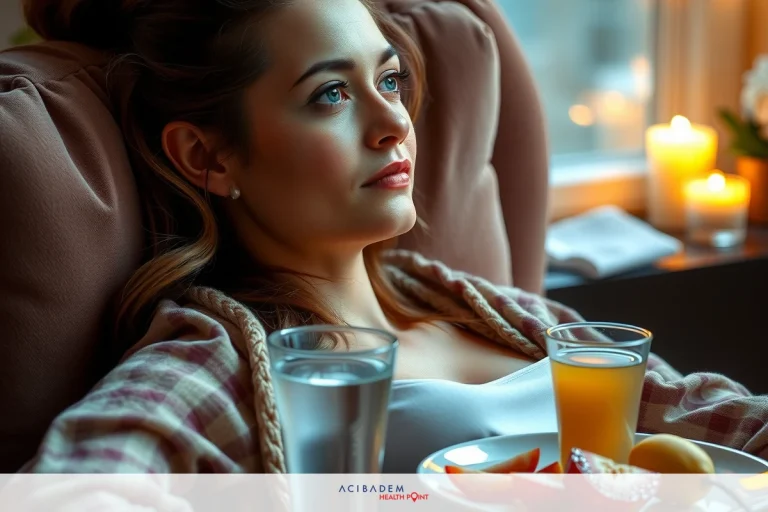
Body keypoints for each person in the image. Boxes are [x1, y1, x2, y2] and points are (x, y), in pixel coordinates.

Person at [20, 0, 768, 477]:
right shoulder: (229, 358)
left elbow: (718, 420)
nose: (393, 124)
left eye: (390, 80)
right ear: (208, 157)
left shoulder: (498, 311)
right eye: (331, 95)